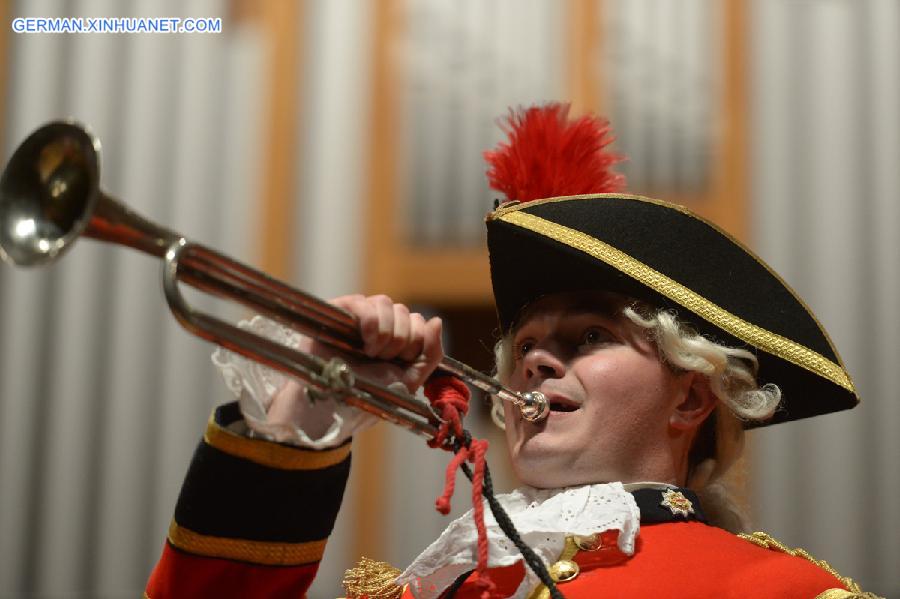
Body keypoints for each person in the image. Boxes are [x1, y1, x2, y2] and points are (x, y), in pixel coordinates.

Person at [145, 104, 878, 598]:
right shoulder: (450, 583)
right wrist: (307, 410)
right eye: (525, 345)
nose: (533, 361)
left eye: (590, 336)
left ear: (691, 394)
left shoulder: (770, 588)